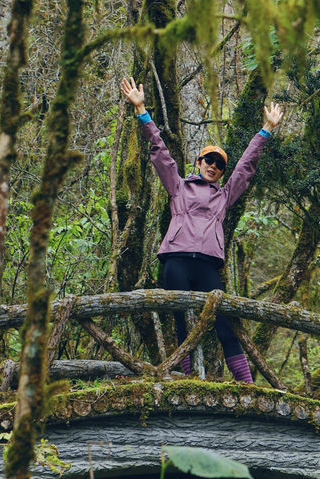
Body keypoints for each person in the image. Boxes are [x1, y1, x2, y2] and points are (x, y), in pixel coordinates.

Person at [121, 76, 283, 382]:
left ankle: (246, 383)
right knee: (181, 321)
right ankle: (187, 379)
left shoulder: (224, 196)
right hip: (177, 260)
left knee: (223, 319)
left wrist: (267, 130)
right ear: (198, 162)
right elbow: (160, 152)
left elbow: (246, 166)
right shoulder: (179, 187)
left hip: (208, 264)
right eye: (208, 160)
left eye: (219, 165)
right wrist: (142, 111)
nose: (213, 166)